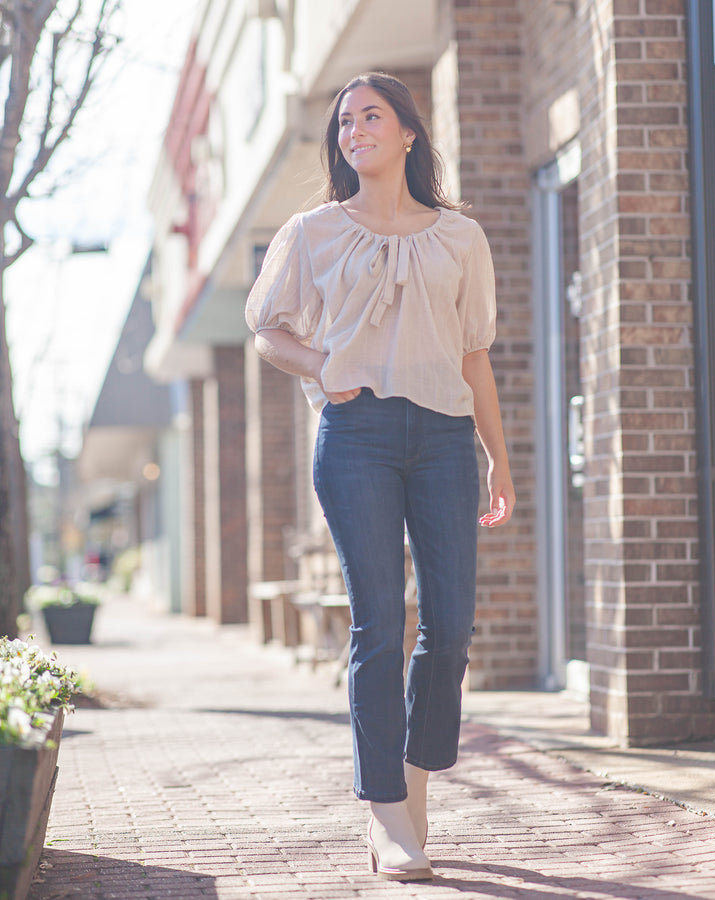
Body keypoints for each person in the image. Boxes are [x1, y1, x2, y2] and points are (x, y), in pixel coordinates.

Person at [245, 72, 515, 882]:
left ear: (406, 133)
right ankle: (386, 813)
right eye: (344, 121)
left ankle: (414, 792)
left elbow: (475, 356)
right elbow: (268, 331)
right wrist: (324, 366)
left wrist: (500, 455)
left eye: (372, 116)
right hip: (356, 434)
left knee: (451, 624)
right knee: (377, 624)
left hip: (443, 437)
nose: (355, 130)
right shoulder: (313, 232)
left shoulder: (460, 238)